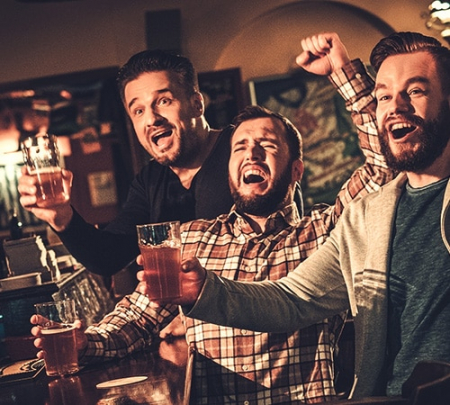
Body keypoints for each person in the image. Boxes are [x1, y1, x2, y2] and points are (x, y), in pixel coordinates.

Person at [32, 94, 392, 403]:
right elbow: (137, 319)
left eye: (266, 145)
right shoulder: (191, 239)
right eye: (239, 147)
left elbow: (382, 167)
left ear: (296, 170)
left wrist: (342, 72)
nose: (250, 153)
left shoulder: (325, 230)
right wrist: (86, 343)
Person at [170, 31, 450, 400]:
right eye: (383, 96)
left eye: (415, 91)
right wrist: (205, 290)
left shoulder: (327, 221)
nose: (395, 107)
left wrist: (343, 70)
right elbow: (293, 300)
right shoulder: (366, 217)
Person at [19, 50, 303, 278]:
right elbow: (107, 257)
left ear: (197, 104)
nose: (152, 119)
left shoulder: (243, 153)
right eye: (138, 110)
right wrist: (62, 217)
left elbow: (282, 253)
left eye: (163, 101)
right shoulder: (150, 180)